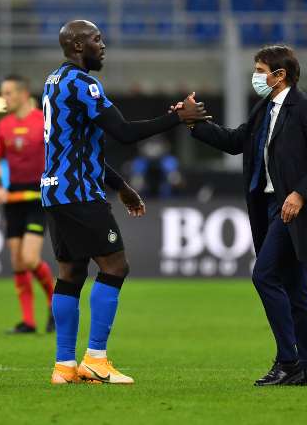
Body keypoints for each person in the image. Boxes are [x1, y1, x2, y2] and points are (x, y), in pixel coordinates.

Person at [43, 19, 208, 385]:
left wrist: (119, 185)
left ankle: (64, 366)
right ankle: (96, 359)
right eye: (95, 39)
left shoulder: (53, 81)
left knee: (70, 275)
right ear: (75, 46)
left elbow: (78, 148)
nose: (102, 45)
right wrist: (177, 117)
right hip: (81, 193)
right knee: (115, 266)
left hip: (56, 191)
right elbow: (125, 132)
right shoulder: (84, 84)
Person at [188, 45, 307, 386]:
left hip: (292, 208)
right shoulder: (264, 108)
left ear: (280, 74)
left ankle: (289, 361)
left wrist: (299, 193)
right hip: (270, 207)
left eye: (260, 70)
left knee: (265, 276)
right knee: (297, 289)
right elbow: (236, 141)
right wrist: (195, 123)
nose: (256, 76)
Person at [0, 74, 55, 334]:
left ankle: (53, 303)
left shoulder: (43, 121)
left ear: (22, 93)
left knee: (29, 259)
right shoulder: (3, 126)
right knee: (17, 262)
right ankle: (28, 321)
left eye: (7, 93)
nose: (3, 98)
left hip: (38, 196)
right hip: (14, 196)